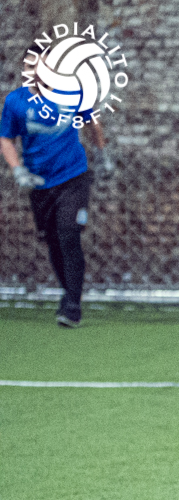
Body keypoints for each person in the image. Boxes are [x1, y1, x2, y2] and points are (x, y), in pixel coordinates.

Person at [1, 61, 115, 328]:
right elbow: (6, 138)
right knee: (53, 241)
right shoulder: (16, 102)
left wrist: (102, 154)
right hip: (40, 183)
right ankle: (69, 293)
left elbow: (92, 122)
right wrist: (18, 170)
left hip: (73, 177)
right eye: (30, 67)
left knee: (69, 233)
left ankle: (73, 306)